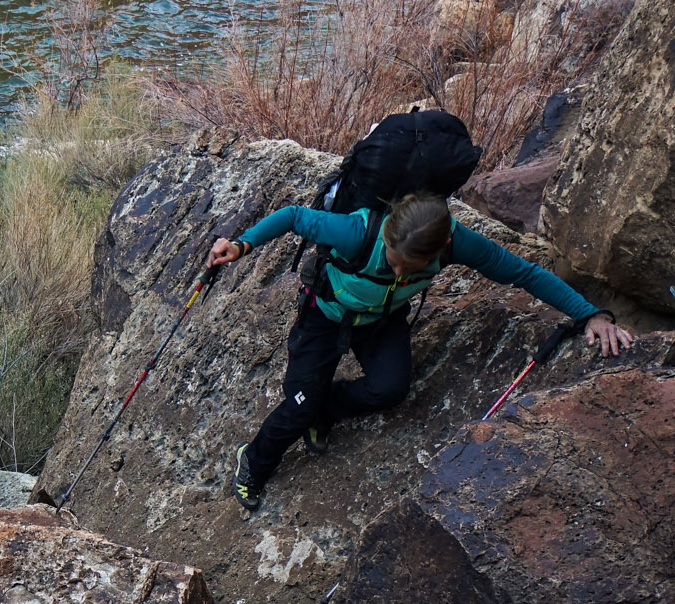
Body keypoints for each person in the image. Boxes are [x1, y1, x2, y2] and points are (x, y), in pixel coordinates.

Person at [206, 193, 634, 511]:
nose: (396, 270)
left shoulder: (456, 243)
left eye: (407, 268)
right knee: (299, 405)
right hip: (325, 314)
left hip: (381, 319)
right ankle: (254, 461)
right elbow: (294, 216)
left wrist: (590, 315)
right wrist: (242, 244)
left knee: (390, 389)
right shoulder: (355, 231)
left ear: (441, 245)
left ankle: (326, 410)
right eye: (392, 260)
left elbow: (524, 273)